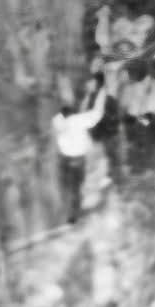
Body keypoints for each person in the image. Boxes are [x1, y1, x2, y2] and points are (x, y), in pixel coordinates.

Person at [52, 79, 107, 222]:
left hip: (65, 158)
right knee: (77, 185)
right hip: (77, 158)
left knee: (70, 186)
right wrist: (102, 93)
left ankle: (71, 212)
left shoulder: (57, 121)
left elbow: (75, 113)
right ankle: (75, 212)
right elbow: (96, 114)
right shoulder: (77, 120)